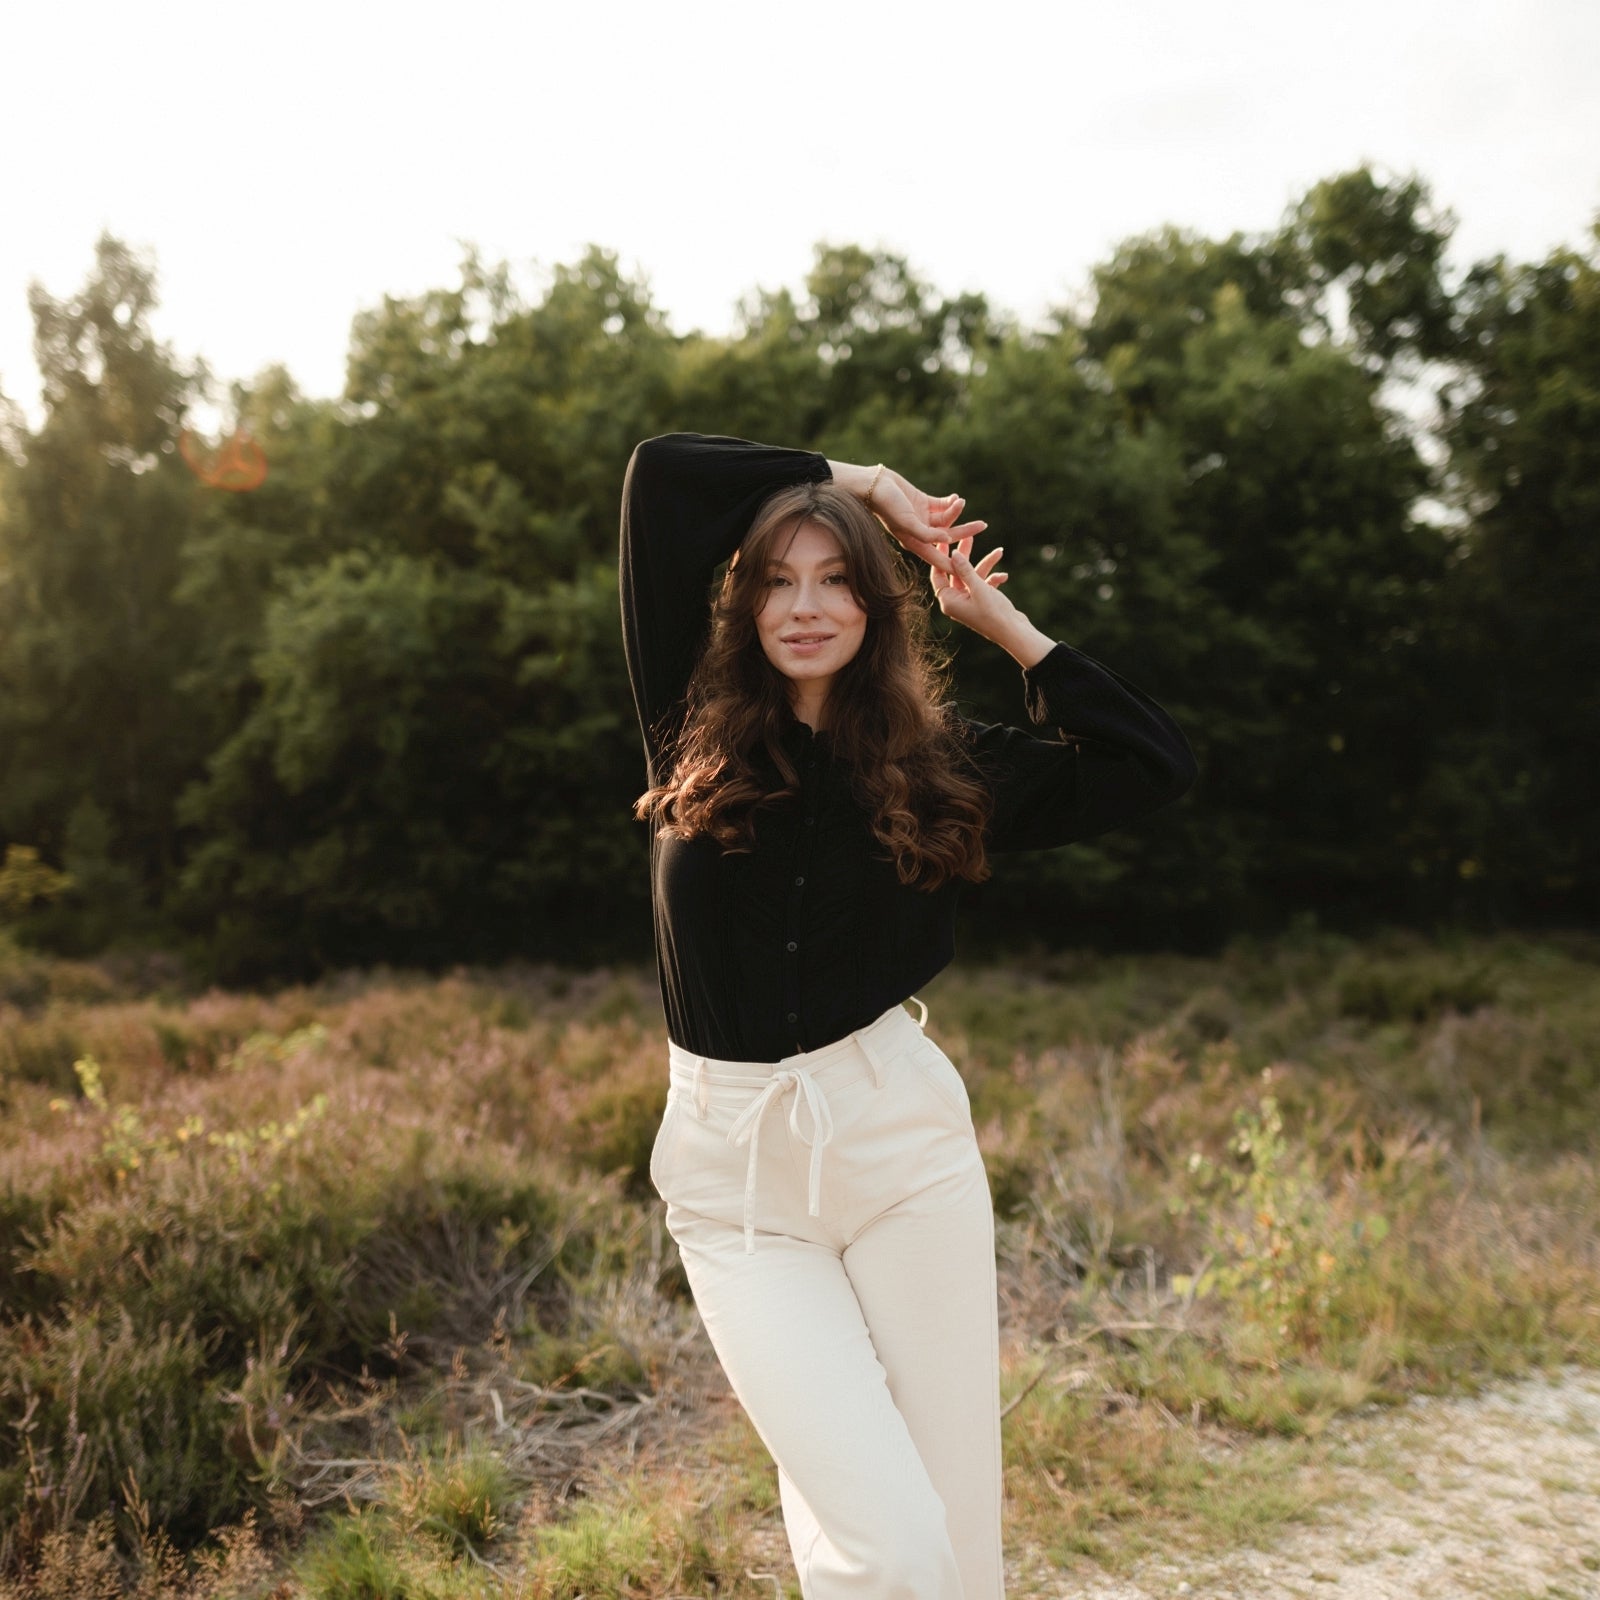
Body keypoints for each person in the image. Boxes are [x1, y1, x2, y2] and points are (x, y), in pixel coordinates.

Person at [619, 432, 1197, 1599]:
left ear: (877, 606)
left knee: (952, 1540)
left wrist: (1002, 624)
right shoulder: (686, 716)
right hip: (736, 1184)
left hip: (900, 1149)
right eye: (778, 580)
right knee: (884, 1540)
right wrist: (867, 485)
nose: (806, 606)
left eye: (836, 578)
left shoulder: (942, 762)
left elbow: (1149, 762)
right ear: (742, 601)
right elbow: (660, 476)